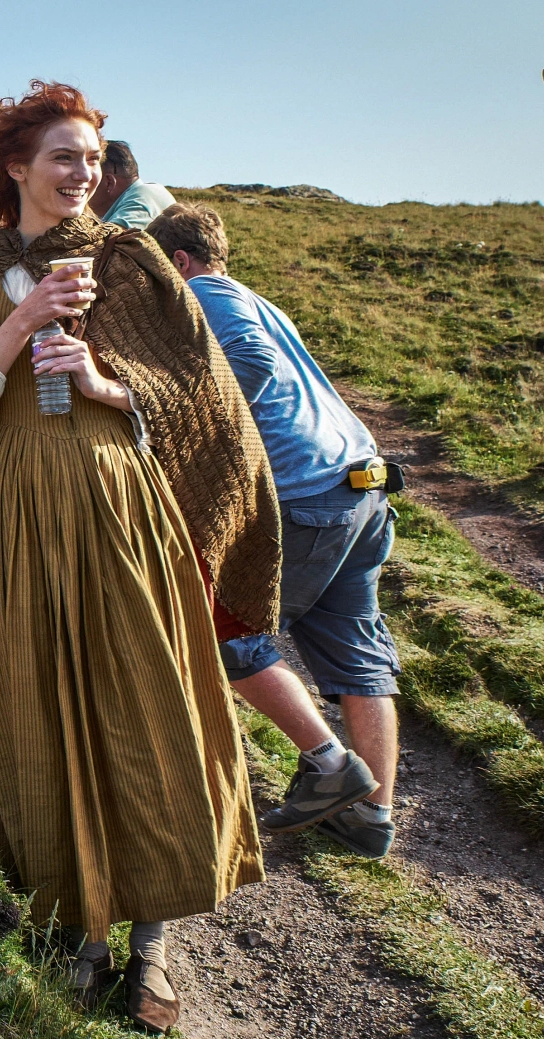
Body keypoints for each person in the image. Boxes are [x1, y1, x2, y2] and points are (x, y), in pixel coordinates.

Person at [0, 81, 278, 1034]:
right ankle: (83, 930)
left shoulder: (133, 262)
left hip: (119, 499)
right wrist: (19, 322)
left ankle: (152, 946)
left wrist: (101, 380)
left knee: (143, 702)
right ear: (17, 168)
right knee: (39, 705)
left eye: (91, 159)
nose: (83, 175)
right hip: (15, 506)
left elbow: (202, 400)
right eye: (62, 158)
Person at [150, 203, 399, 857]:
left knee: (219, 634)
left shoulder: (202, 295)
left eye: (156, 273)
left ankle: (327, 764)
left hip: (303, 497)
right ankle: (368, 820)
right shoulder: (256, 298)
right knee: (355, 657)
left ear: (178, 261)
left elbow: (251, 371)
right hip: (360, 486)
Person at [87, 140, 174, 230]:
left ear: (109, 183)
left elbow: (112, 240)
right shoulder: (134, 197)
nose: (81, 188)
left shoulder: (144, 197)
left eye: (87, 180)